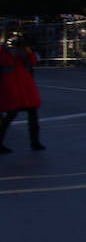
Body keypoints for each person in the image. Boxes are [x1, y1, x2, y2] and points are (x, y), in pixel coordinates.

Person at [0, 21, 44, 153]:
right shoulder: (3, 47)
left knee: (32, 111)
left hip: (25, 81)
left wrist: (25, 50)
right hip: (12, 80)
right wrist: (12, 50)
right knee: (11, 113)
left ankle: (35, 142)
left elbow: (32, 61)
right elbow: (5, 63)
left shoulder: (23, 45)